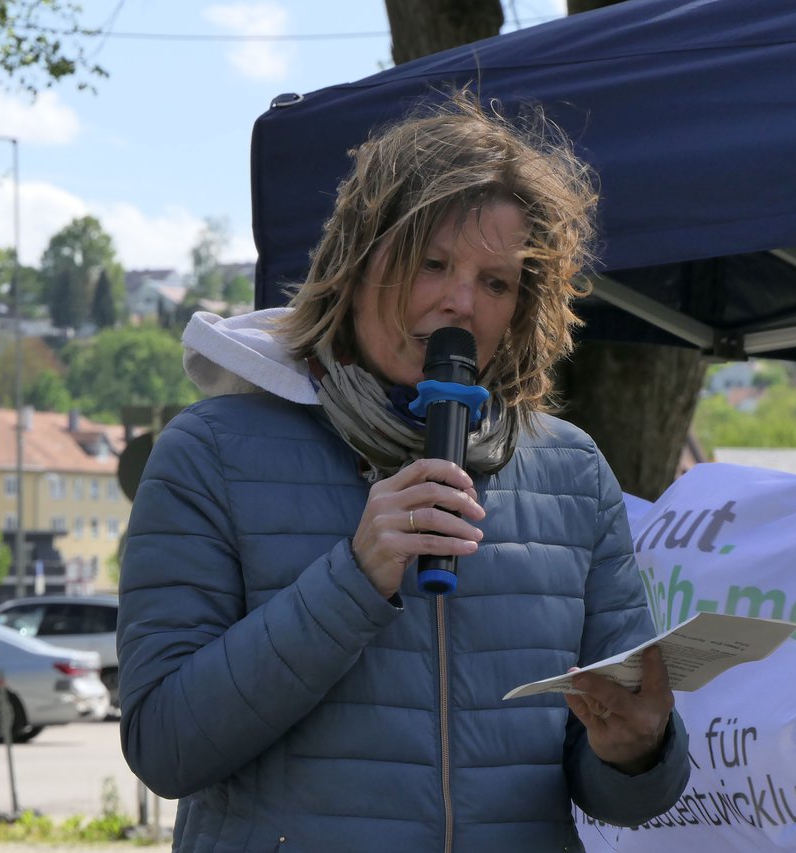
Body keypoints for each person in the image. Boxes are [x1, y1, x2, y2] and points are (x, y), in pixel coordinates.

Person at [117, 92, 690, 852]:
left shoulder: (571, 470)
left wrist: (638, 749)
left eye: (497, 282)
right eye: (433, 263)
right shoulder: (211, 452)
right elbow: (163, 746)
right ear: (356, 265)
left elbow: (619, 788)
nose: (461, 303)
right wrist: (353, 580)